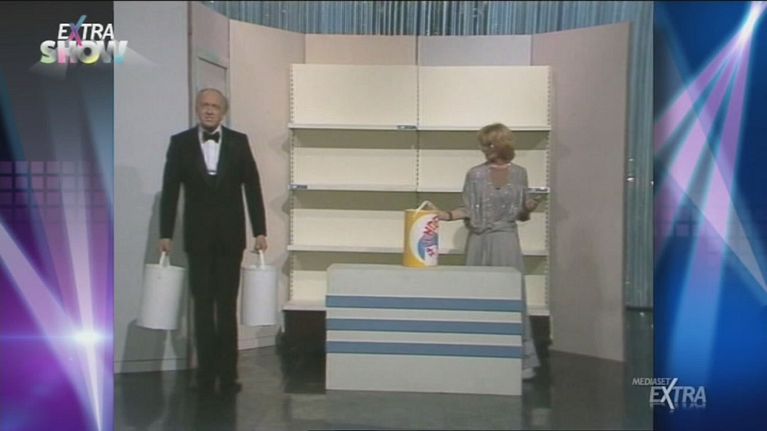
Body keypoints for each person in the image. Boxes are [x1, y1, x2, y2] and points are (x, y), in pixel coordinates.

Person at [159, 88, 267, 395]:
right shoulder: (180, 143)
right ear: (196, 108)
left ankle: (229, 375)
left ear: (223, 112)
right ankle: (205, 376)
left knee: (227, 306)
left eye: (215, 106)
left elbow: (252, 186)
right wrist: (165, 233)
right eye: (204, 105)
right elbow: (170, 189)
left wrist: (260, 230)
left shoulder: (238, 141)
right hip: (198, 238)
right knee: (202, 308)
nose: (209, 110)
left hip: (231, 238)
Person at [428, 122, 542, 380]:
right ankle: (475, 354)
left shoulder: (520, 174)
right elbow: (468, 209)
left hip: (505, 239)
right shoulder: (475, 174)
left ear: (502, 144)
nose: (485, 149)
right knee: (474, 293)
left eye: (489, 144)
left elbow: (522, 215)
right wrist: (444, 215)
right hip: (478, 239)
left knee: (512, 294)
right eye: (483, 145)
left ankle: (519, 359)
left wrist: (529, 208)